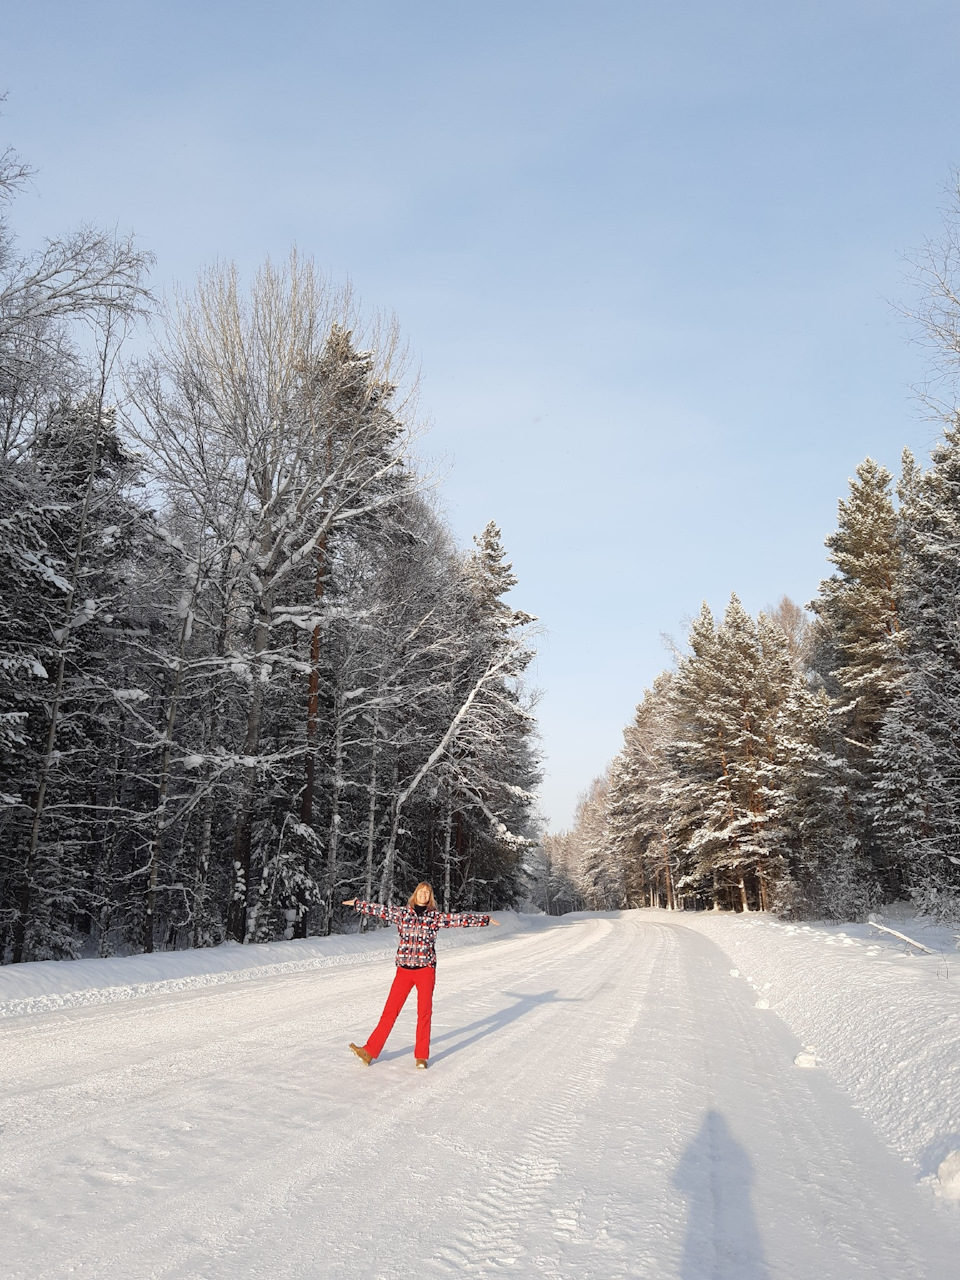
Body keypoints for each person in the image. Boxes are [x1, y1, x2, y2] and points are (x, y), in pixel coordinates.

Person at [343, 882, 498, 1069]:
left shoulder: (435, 917)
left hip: (425, 970)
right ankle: (369, 1052)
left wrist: (484, 919)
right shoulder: (403, 913)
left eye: (427, 893)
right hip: (404, 971)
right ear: (415, 894)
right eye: (421, 892)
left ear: (430, 896)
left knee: (424, 1013)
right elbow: (381, 910)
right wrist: (359, 904)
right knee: (390, 1012)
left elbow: (458, 920)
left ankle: (421, 1056)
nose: (423, 895)